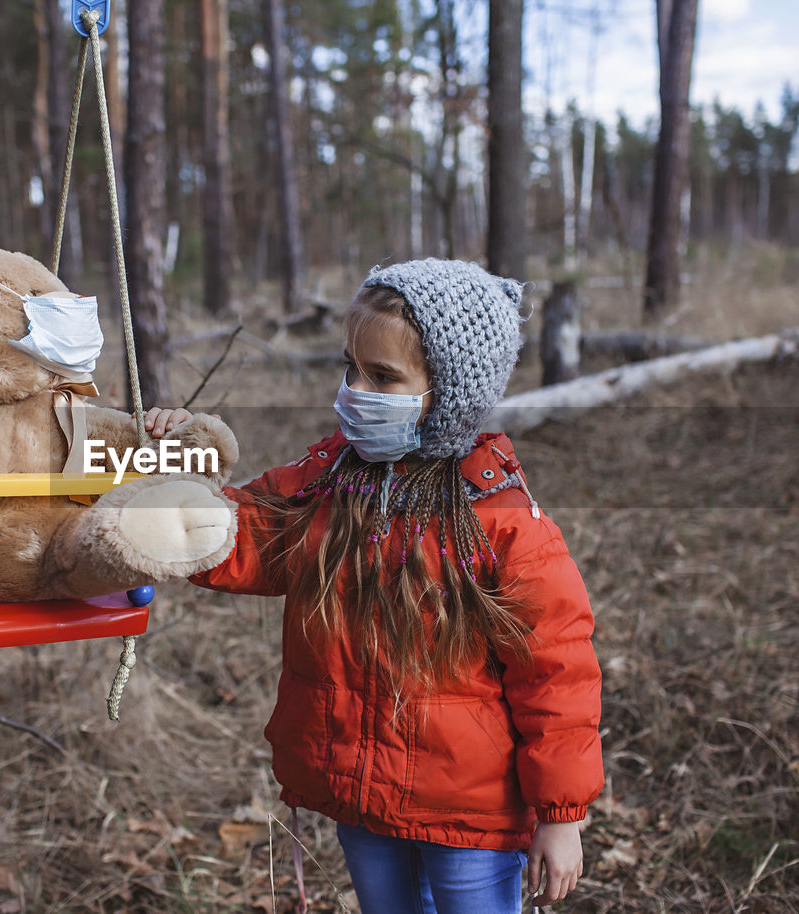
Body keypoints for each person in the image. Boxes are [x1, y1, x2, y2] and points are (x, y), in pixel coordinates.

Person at [144, 259, 604, 913]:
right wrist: (165, 463)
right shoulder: (328, 480)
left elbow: (558, 677)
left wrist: (561, 815)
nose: (355, 389)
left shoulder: (504, 523)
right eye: (350, 367)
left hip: (471, 816)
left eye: (382, 376)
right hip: (359, 794)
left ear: (450, 392)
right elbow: (242, 533)